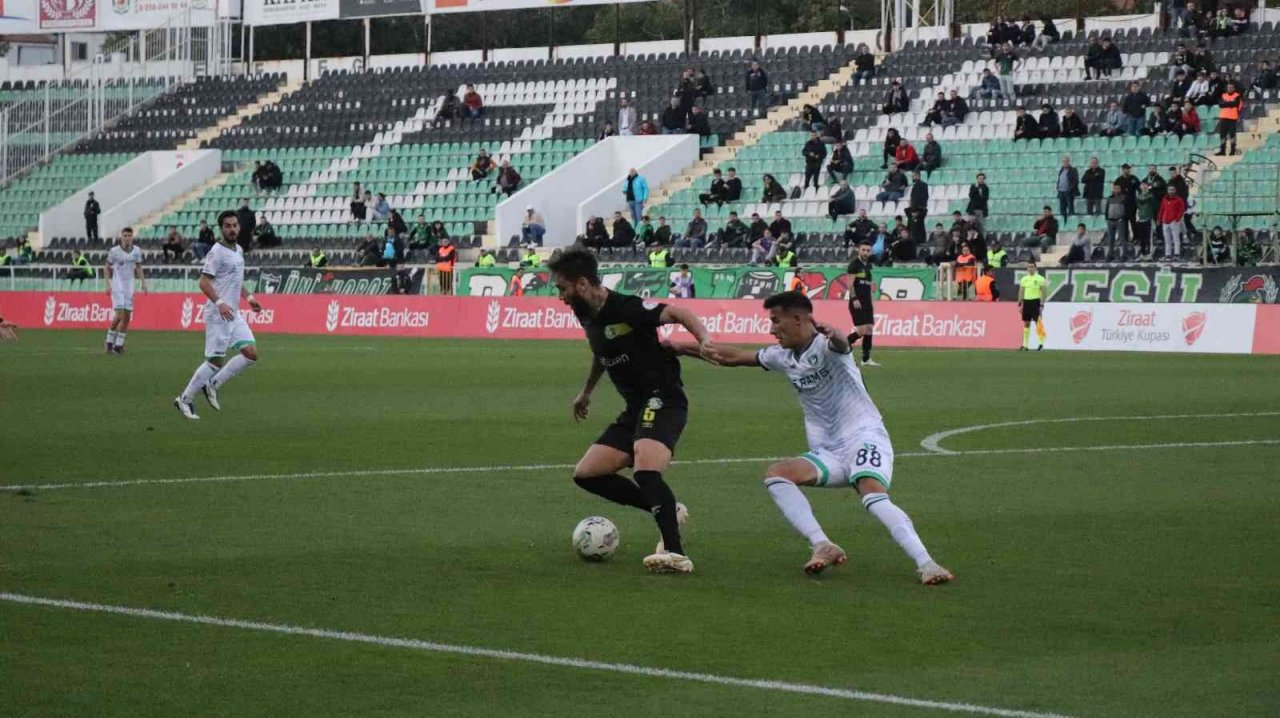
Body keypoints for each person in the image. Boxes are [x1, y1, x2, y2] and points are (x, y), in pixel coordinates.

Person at [674, 292, 952, 583]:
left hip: (863, 437)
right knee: (777, 475)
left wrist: (836, 334)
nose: (771, 329)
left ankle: (927, 564)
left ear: (798, 319)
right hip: (828, 451)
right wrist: (680, 347)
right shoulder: (781, 356)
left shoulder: (827, 346)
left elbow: (841, 344)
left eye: (776, 321)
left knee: (872, 494)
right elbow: (731, 357)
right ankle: (823, 544)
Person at [550, 248, 712, 574]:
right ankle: (666, 509)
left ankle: (676, 553)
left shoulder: (627, 307)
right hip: (635, 408)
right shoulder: (586, 314)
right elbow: (601, 351)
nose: (560, 297)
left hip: (663, 399)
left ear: (582, 284)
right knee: (587, 474)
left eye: (562, 288)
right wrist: (586, 392)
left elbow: (680, 313)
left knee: (646, 470)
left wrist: (705, 340)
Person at [173, 211, 263, 420]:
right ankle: (184, 399)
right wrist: (220, 303)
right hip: (218, 314)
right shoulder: (216, 252)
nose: (232, 229)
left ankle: (212, 384)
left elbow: (236, 281)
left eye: (235, 225)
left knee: (250, 353)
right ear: (221, 229)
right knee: (215, 361)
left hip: (233, 313)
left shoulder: (238, 250)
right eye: (227, 226)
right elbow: (203, 282)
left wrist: (250, 298)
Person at [102, 228, 145, 355]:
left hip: (129, 287)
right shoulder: (114, 251)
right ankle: (109, 341)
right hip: (117, 286)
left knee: (126, 318)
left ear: (132, 237)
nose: (127, 238)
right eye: (125, 235)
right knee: (119, 315)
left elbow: (139, 267)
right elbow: (106, 267)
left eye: (129, 235)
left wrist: (143, 282)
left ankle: (118, 346)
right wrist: (107, 284)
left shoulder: (136, 251)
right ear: (121, 237)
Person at [845, 242, 879, 367]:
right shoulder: (854, 265)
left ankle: (866, 359)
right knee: (861, 331)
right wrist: (854, 298)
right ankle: (839, 346)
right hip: (857, 302)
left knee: (869, 329)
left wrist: (872, 285)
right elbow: (850, 283)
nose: (865, 252)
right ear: (858, 250)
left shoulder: (868, 265)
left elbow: (865, 281)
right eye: (863, 250)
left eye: (868, 250)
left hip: (867, 301)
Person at [1017, 260, 1047, 351]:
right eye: (1029, 266)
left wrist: (1042, 304)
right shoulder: (1024, 279)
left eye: (1032, 266)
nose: (1030, 268)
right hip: (1026, 302)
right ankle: (1025, 345)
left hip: (1035, 302)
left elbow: (1044, 292)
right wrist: (1020, 303)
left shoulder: (1040, 278)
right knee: (1026, 323)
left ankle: (1041, 343)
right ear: (1027, 268)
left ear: (1035, 268)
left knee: (1038, 323)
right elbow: (1021, 291)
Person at [1158, 184, 1187, 260]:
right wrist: (1159, 219)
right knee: (1167, 239)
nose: (1171, 191)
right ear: (1167, 191)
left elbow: (1182, 209)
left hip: (1174, 221)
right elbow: (1162, 209)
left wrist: (1177, 219)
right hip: (1165, 221)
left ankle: (1177, 254)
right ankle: (1168, 254)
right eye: (1170, 190)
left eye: (1172, 190)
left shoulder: (1179, 199)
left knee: (1176, 238)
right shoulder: (1164, 199)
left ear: (1175, 191)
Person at [1216, 81, 1242, 156]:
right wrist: (1230, 103)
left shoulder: (1237, 96)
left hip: (1232, 118)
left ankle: (1232, 150)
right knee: (1222, 135)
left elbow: (1235, 104)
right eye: (1228, 87)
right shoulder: (1223, 95)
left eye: (1231, 87)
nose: (1229, 89)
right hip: (1223, 117)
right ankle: (1222, 150)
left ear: (1234, 88)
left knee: (1232, 135)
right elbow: (1220, 104)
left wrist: (1226, 103)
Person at [1104, 182, 1129, 257]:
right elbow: (1106, 209)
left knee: (1122, 238)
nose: (1116, 189)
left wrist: (1123, 218)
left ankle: (1124, 255)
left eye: (1117, 188)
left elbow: (1127, 209)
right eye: (1114, 188)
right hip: (1110, 220)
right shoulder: (1109, 198)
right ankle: (1110, 254)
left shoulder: (1124, 197)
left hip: (1119, 220)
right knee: (1111, 239)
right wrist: (1107, 218)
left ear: (1120, 189)